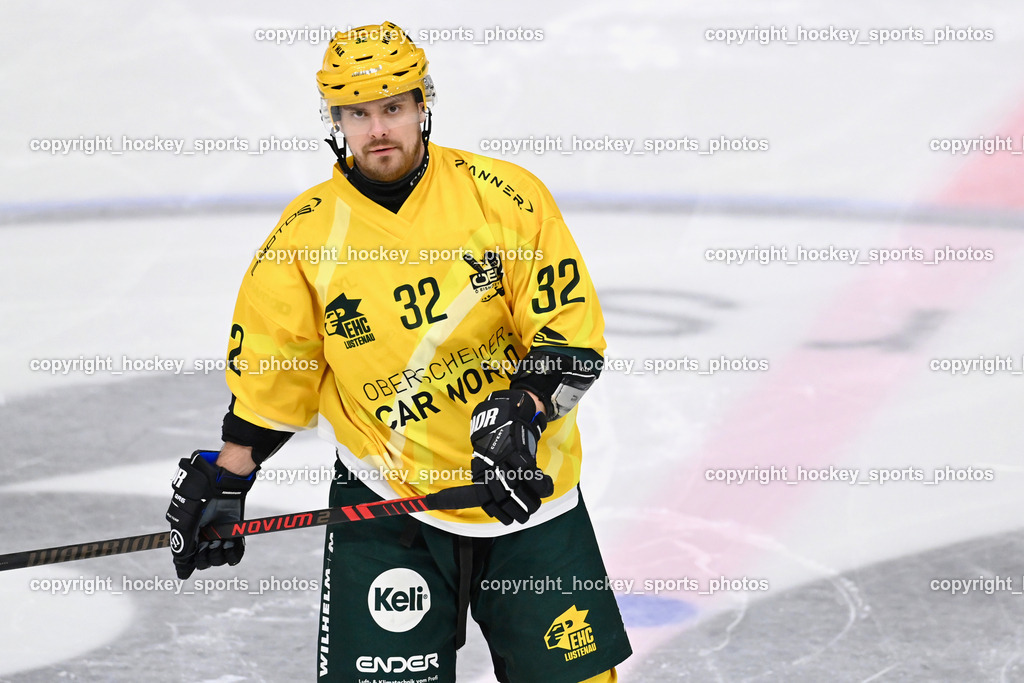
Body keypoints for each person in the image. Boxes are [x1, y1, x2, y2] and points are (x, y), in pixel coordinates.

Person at [165, 20, 631, 683]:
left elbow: (570, 332)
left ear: (423, 105)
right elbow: (277, 369)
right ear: (336, 120)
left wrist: (522, 411)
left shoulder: (505, 197)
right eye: (358, 112)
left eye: (393, 106)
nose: (378, 128)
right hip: (389, 506)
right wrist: (231, 473)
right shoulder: (304, 237)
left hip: (526, 492)